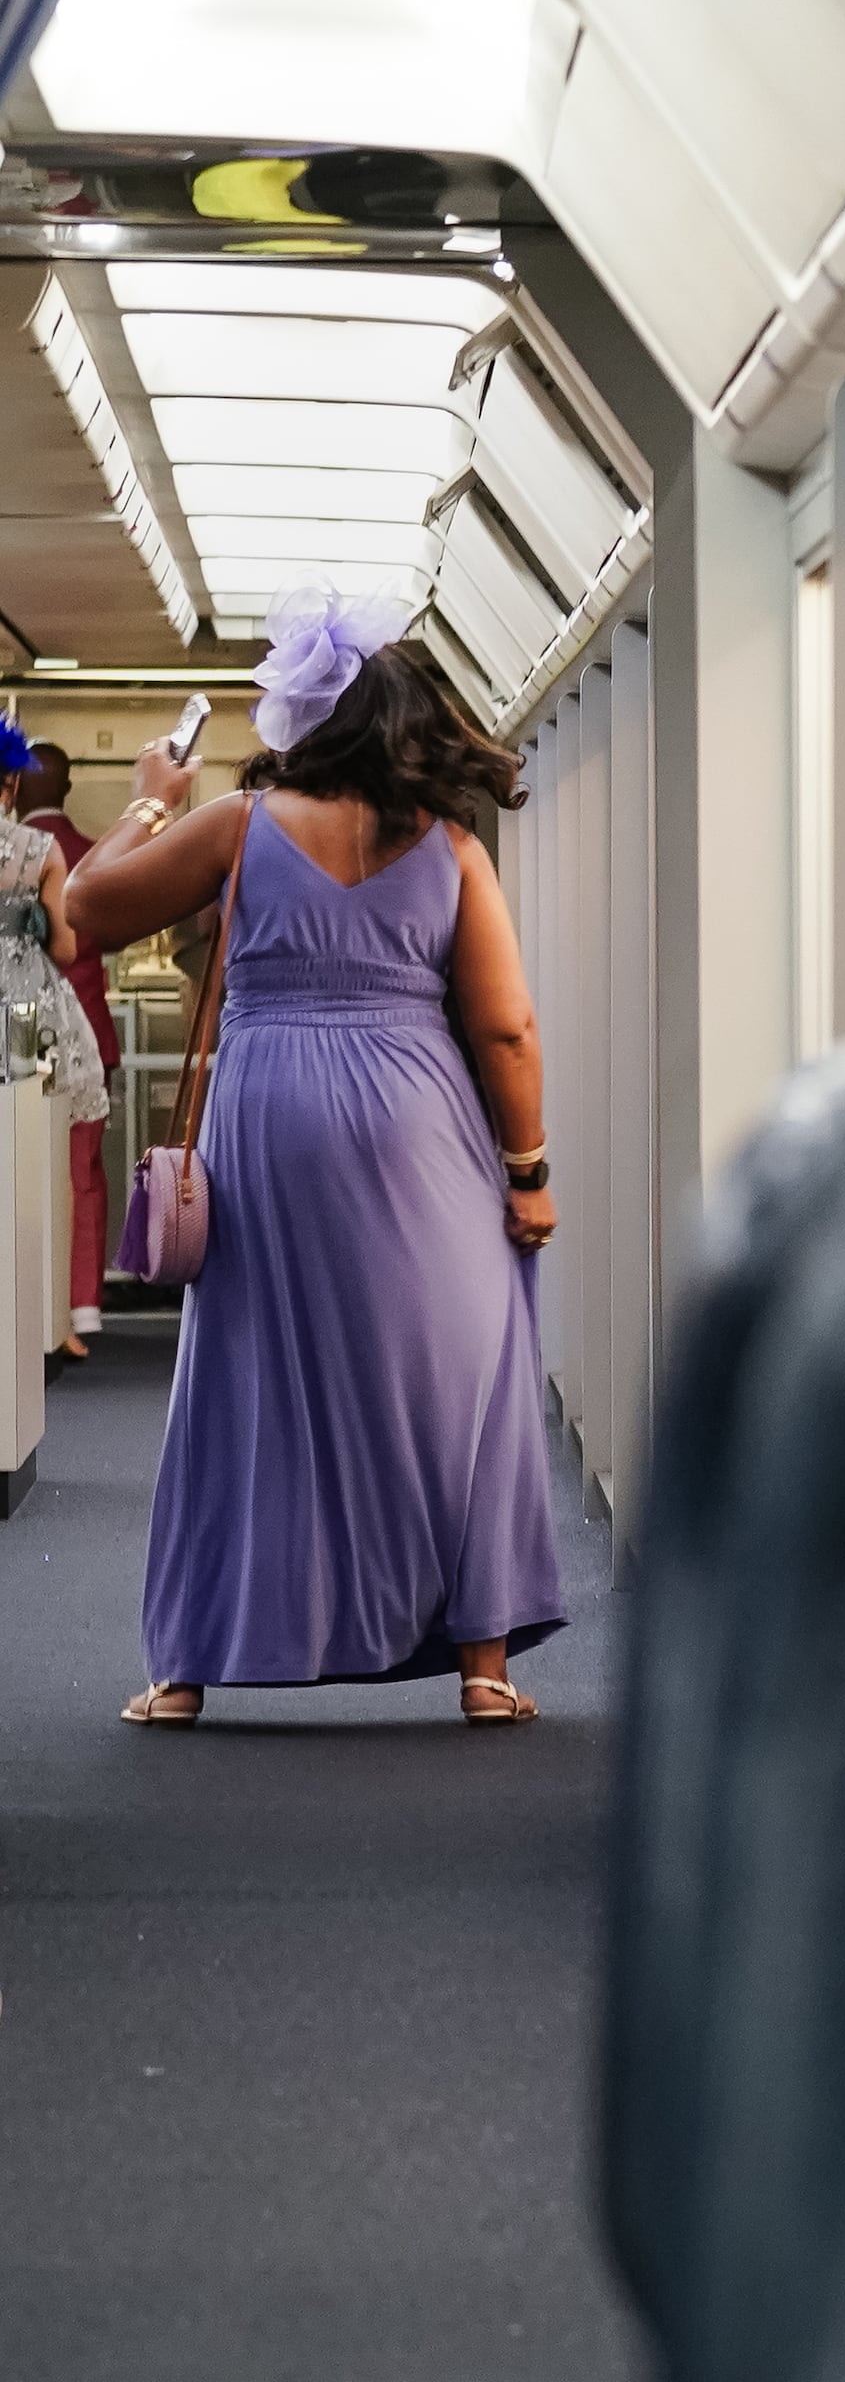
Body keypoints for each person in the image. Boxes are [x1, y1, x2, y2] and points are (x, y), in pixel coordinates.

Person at [73, 592, 562, 1729]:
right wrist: (527, 1169)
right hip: (418, 1119)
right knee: (459, 1367)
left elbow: (87, 910)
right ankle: (482, 1665)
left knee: (244, 1372)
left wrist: (150, 807)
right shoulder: (447, 845)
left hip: (270, 1115)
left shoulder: (241, 824)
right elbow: (506, 1027)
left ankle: (187, 1668)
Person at [19, 738, 119, 1356]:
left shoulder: (16, 852)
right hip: (87, 1030)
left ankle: (33, 1299)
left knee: (27, 1159)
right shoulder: (89, 854)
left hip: (24, 1027)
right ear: (67, 788)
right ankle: (83, 1304)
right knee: (83, 1169)